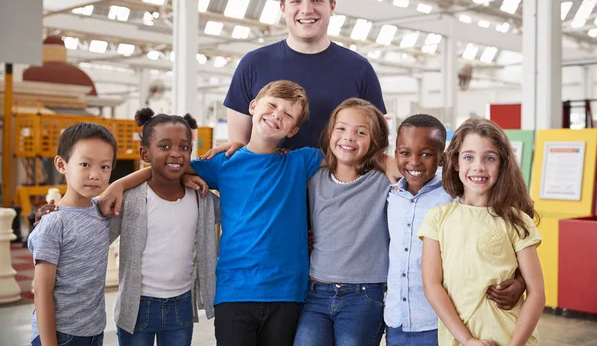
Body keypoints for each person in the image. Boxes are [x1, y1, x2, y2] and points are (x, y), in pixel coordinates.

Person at [99, 80, 323, 346]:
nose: (277, 114)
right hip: (233, 293)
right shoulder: (223, 163)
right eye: (272, 105)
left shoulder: (300, 161)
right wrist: (119, 184)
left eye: (288, 114)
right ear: (253, 106)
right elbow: (168, 167)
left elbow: (350, 158)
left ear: (294, 129)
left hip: (287, 294)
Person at [385, 114, 527, 346]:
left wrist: (520, 281)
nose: (414, 162)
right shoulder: (390, 194)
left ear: (443, 159)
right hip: (396, 317)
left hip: (442, 319)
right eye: (405, 153)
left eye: (426, 154)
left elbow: (507, 239)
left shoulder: (455, 196)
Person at [224, 0, 386, 150]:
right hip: (269, 179)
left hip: (340, 179)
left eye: (317, 0)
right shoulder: (252, 64)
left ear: (332, 7)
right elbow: (237, 147)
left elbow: (377, 145)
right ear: (283, 8)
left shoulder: (360, 69)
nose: (307, 9)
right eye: (296, 0)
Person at [419, 117, 545, 346]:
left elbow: (536, 293)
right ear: (455, 161)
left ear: (502, 164)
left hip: (511, 338)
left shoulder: (517, 221)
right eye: (468, 157)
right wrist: (467, 340)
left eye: (489, 158)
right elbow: (432, 286)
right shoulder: (437, 219)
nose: (478, 166)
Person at [109, 108, 219, 345]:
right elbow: (94, 227)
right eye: (165, 146)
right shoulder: (131, 199)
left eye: (184, 147)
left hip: (181, 306)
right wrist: (53, 215)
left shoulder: (202, 199)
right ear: (145, 153)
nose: (177, 154)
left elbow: (244, 207)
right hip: (137, 307)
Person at [292, 98, 392, 346]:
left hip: (365, 294)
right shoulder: (314, 178)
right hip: (315, 291)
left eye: (361, 132)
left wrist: (386, 160)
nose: (349, 137)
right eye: (341, 128)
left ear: (375, 141)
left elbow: (416, 167)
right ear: (329, 133)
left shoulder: (383, 181)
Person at [28, 122, 117, 346]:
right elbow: (42, 292)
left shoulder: (101, 211)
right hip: (59, 335)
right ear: (61, 164)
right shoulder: (54, 222)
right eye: (85, 164)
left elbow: (147, 177)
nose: (95, 175)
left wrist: (118, 186)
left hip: (94, 331)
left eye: (105, 167)